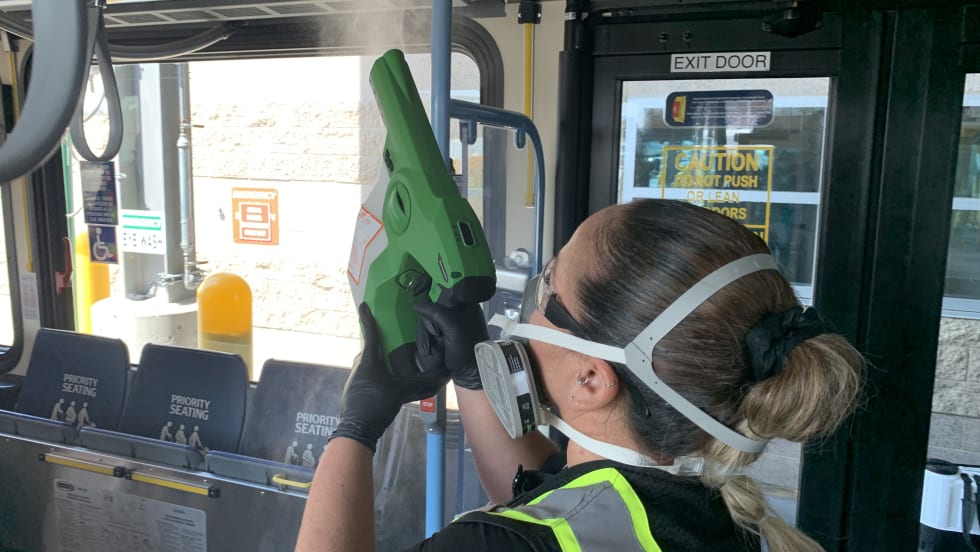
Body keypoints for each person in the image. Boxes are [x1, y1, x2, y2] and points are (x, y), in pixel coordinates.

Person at [296, 199, 864, 552]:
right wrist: (471, 373)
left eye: (548, 290)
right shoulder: (715, 512)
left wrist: (357, 425)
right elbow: (546, 488)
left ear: (591, 379)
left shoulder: (505, 547)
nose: (530, 308)